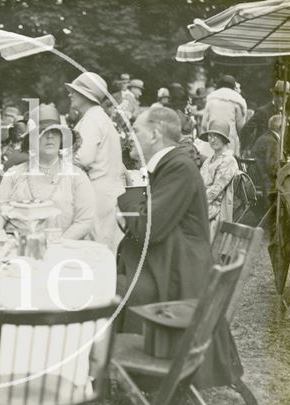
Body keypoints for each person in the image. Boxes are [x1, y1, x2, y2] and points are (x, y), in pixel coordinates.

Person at [117, 107, 241, 388]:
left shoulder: (178, 167)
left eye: (135, 129)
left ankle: (138, 374)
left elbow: (147, 228)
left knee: (118, 288)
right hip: (175, 262)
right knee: (120, 284)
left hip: (183, 272)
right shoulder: (172, 164)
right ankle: (130, 372)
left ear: (155, 134)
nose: (129, 135)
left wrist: (126, 193)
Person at [0, 104, 96, 240]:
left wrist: (58, 245)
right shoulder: (14, 174)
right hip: (19, 250)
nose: (50, 136)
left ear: (61, 138)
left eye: (55, 131)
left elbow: (84, 221)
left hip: (63, 251)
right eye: (43, 132)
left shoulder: (76, 177)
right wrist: (1, 237)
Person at [66, 72, 126, 252]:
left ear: (86, 96)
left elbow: (83, 158)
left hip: (97, 194)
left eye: (74, 92)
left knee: (96, 250)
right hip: (108, 193)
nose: (70, 95)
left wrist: (60, 160)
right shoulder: (99, 117)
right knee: (106, 248)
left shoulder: (92, 120)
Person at [198, 120, 239, 239]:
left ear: (224, 139)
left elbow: (216, 190)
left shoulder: (228, 160)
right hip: (205, 204)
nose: (212, 140)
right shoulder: (209, 159)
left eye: (216, 136)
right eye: (210, 136)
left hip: (216, 210)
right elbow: (199, 183)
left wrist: (196, 203)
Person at [201, 75, 247, 156]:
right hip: (229, 139)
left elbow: (204, 124)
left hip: (212, 138)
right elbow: (241, 127)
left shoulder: (211, 99)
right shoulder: (237, 100)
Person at [240, 80, 290, 154]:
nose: (282, 99)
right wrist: (247, 148)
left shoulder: (285, 114)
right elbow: (246, 129)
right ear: (274, 95)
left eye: (285, 96)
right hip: (263, 154)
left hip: (279, 155)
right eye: (278, 95)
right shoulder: (263, 111)